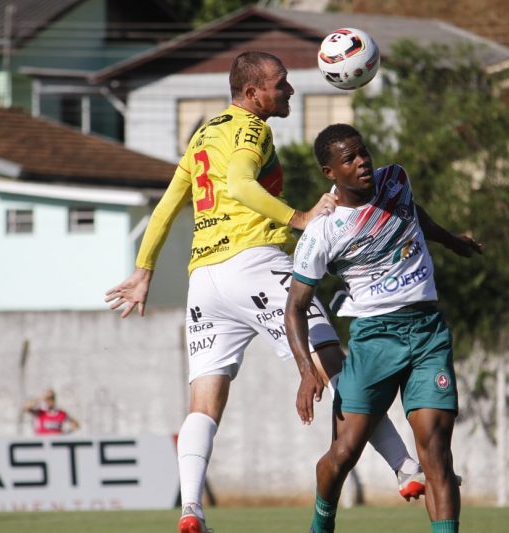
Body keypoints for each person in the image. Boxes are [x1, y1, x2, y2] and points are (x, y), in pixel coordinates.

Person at [106, 52, 425, 533]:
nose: (290, 90)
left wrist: (143, 268)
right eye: (281, 84)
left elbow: (172, 199)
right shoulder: (252, 129)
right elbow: (238, 183)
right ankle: (406, 468)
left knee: (204, 404)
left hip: (205, 280)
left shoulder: (203, 134)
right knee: (335, 364)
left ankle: (190, 507)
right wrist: (298, 218)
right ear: (253, 94)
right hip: (255, 263)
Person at [285, 124, 483, 533]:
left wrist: (448, 241)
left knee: (437, 455)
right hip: (375, 338)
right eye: (349, 159)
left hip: (428, 333)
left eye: (364, 153)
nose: (363, 163)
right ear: (329, 173)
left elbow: (413, 213)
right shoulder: (322, 232)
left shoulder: (395, 179)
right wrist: (307, 369)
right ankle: (321, 524)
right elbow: (295, 308)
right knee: (345, 451)